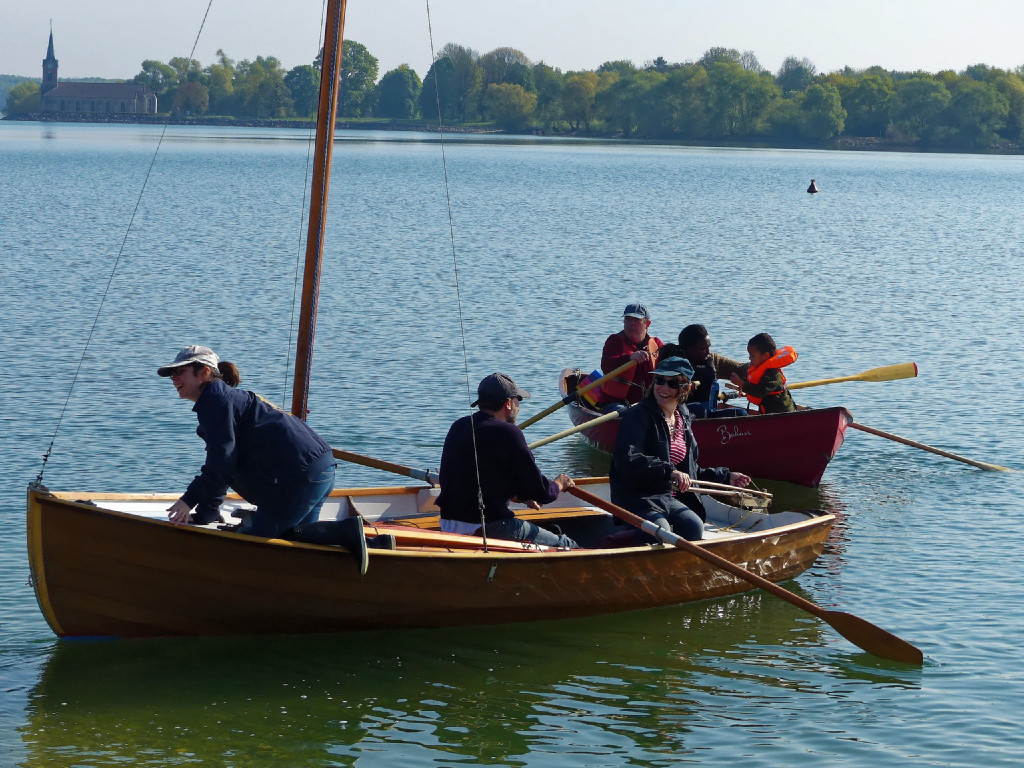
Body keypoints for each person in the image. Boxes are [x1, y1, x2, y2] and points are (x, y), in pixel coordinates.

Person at [159, 345, 338, 537]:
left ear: (204, 372)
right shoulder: (222, 400)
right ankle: (345, 535)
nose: (174, 378)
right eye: (172, 374)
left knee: (259, 539)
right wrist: (206, 512)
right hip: (320, 467)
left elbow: (221, 462)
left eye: (180, 371)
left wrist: (188, 501)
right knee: (301, 539)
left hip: (302, 474)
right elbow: (224, 465)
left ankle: (349, 532)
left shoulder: (217, 402)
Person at [610, 357, 750, 543]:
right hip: (638, 496)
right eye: (660, 380)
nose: (663, 388)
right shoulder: (637, 415)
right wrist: (669, 471)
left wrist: (726, 476)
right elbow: (628, 459)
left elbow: (690, 471)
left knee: (693, 528)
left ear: (686, 388)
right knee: (660, 532)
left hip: (666, 497)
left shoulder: (683, 417)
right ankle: (611, 541)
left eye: (673, 383)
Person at [436, 373, 578, 549]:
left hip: (449, 523)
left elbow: (482, 478)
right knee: (566, 544)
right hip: (487, 526)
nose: (519, 406)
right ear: (508, 403)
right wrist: (560, 484)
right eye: (518, 400)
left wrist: (521, 496)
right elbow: (542, 492)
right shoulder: (508, 432)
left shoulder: (459, 426)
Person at [660, 324, 748, 418]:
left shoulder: (711, 360)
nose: (708, 352)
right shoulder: (672, 364)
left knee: (741, 413)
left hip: (709, 413)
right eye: (703, 349)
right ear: (687, 350)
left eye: (708, 347)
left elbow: (740, 369)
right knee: (700, 409)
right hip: (681, 415)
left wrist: (758, 365)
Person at [599, 302, 663, 406]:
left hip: (648, 402)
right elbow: (606, 367)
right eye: (628, 319)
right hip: (616, 403)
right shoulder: (614, 340)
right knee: (624, 412)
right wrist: (629, 357)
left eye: (637, 320)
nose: (631, 323)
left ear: (647, 324)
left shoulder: (656, 343)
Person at [729, 333, 798, 414]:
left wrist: (741, 384)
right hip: (769, 411)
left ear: (765, 356)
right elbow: (755, 384)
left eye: (753, 356)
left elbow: (761, 391)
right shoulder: (760, 369)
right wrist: (745, 386)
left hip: (782, 413)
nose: (749, 358)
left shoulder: (772, 373)